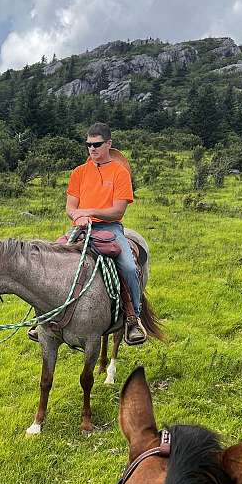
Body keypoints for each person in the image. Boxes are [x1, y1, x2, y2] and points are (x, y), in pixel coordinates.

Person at [29, 122, 146, 345]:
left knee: (130, 267)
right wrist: (78, 217)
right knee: (48, 260)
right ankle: (43, 317)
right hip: (80, 226)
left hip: (109, 228)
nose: (92, 149)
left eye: (97, 144)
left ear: (108, 144)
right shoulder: (79, 173)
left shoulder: (120, 173)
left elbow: (117, 211)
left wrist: (89, 212)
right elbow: (70, 206)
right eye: (89, 145)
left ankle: (133, 318)